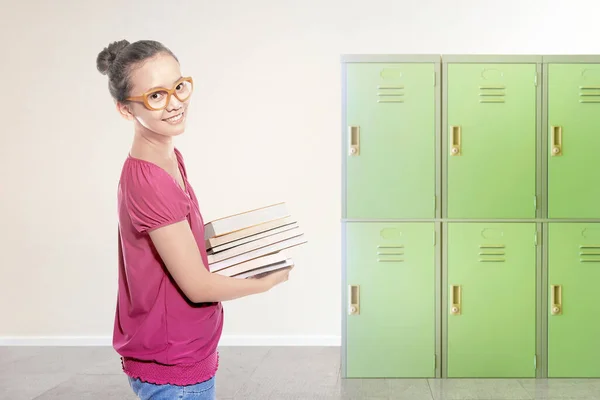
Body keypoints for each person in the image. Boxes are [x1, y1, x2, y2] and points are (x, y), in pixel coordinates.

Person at [96, 39, 292, 400]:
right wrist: (266, 282)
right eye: (156, 96)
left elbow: (182, 240)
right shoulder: (151, 179)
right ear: (126, 110)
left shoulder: (169, 157)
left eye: (178, 86)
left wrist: (246, 241)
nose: (175, 103)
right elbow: (197, 286)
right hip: (175, 368)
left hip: (182, 354)